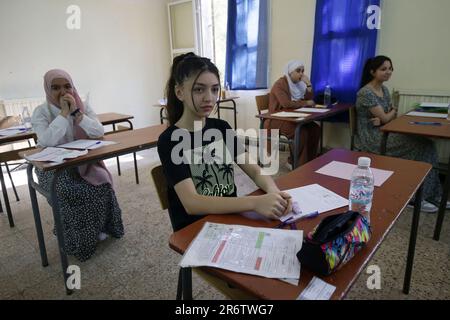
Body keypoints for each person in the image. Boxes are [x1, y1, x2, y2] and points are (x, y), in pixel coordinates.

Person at [157, 53, 292, 231]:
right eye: (199, 89)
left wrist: (273, 192)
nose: (209, 98)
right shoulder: (170, 141)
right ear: (179, 92)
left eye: (214, 89)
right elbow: (192, 203)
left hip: (230, 217)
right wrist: (255, 202)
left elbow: (254, 169)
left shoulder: (221, 128)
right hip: (196, 228)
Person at [31, 69, 124, 261]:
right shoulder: (41, 112)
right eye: (55, 88)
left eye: (67, 86)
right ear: (48, 90)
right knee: (75, 192)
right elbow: (46, 141)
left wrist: (77, 114)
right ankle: (77, 240)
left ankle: (101, 228)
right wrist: (64, 115)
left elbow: (98, 132)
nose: (62, 92)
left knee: (102, 184)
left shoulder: (81, 106)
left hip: (84, 164)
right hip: (54, 169)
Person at [354, 56, 442, 213]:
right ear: (373, 72)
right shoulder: (365, 93)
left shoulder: (384, 90)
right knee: (424, 145)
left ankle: (433, 194)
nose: (388, 72)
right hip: (372, 137)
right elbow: (388, 116)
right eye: (383, 69)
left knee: (426, 143)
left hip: (383, 130)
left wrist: (385, 117)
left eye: (390, 69)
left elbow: (387, 118)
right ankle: (416, 199)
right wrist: (390, 112)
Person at [264, 60, 321, 168]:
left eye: (302, 71)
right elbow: (286, 104)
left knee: (315, 129)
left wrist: (308, 84)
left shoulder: (298, 85)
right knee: (301, 132)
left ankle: (309, 161)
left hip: (291, 117)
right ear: (290, 72)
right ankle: (296, 164)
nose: (301, 74)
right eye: (298, 71)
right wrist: (306, 103)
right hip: (276, 118)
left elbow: (308, 99)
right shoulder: (280, 84)